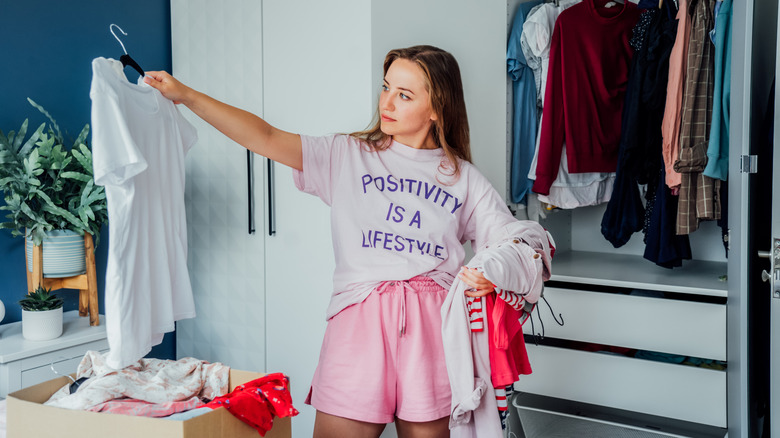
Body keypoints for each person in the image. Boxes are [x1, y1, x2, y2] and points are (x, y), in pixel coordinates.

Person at [144, 45, 531, 438]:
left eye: (404, 94)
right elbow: (265, 135)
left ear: (437, 108)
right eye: (386, 88)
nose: (387, 102)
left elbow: (514, 240)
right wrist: (186, 95)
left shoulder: (463, 178)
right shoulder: (347, 154)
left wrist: (493, 272)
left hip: (432, 331)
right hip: (359, 322)